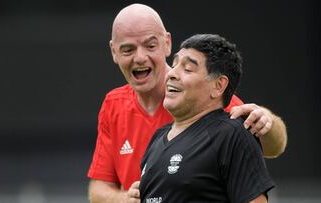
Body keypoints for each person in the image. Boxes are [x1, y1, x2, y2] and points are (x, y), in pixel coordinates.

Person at [88, 3, 286, 203]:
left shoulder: (201, 99)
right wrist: (124, 200)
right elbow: (98, 188)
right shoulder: (114, 104)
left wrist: (266, 122)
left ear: (167, 43)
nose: (140, 57)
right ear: (114, 52)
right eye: (128, 49)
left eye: (150, 45)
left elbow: (271, 147)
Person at [140, 33, 274, 202]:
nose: (172, 74)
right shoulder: (157, 138)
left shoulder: (231, 134)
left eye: (187, 68)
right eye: (174, 65)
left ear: (218, 86)